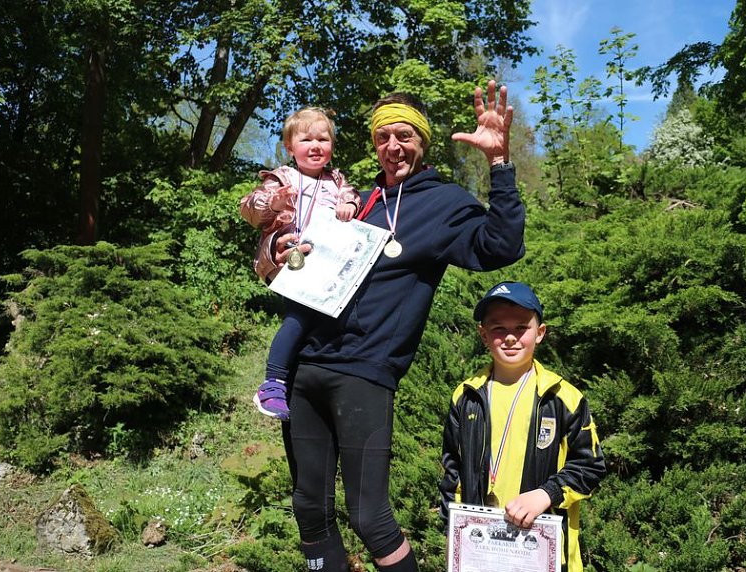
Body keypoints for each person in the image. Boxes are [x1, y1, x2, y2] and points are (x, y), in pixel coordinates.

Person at [253, 80, 525, 572]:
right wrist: (275, 250)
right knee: (309, 508)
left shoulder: (444, 203)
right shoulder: (356, 200)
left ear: (422, 142)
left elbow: (501, 246)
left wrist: (499, 164)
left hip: (364, 374)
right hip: (304, 370)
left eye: (405, 136)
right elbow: (280, 259)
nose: (393, 146)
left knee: (370, 517)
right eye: (383, 137)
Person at [439, 281, 607, 572]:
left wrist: (547, 494)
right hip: (481, 550)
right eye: (498, 328)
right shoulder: (465, 396)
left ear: (540, 333)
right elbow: (452, 472)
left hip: (541, 551)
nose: (510, 337)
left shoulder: (564, 398)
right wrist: (452, 531)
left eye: (521, 328)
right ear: (483, 334)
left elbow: (590, 466)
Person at [240, 107, 361, 421]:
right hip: (290, 264)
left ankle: (308, 383)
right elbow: (249, 210)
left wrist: (349, 203)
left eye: (323, 139)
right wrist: (273, 202)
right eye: (306, 139)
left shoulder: (336, 181)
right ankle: (272, 382)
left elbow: (353, 198)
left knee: (321, 322)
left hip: (328, 266)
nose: (315, 145)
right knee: (298, 317)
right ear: (290, 147)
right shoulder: (282, 178)